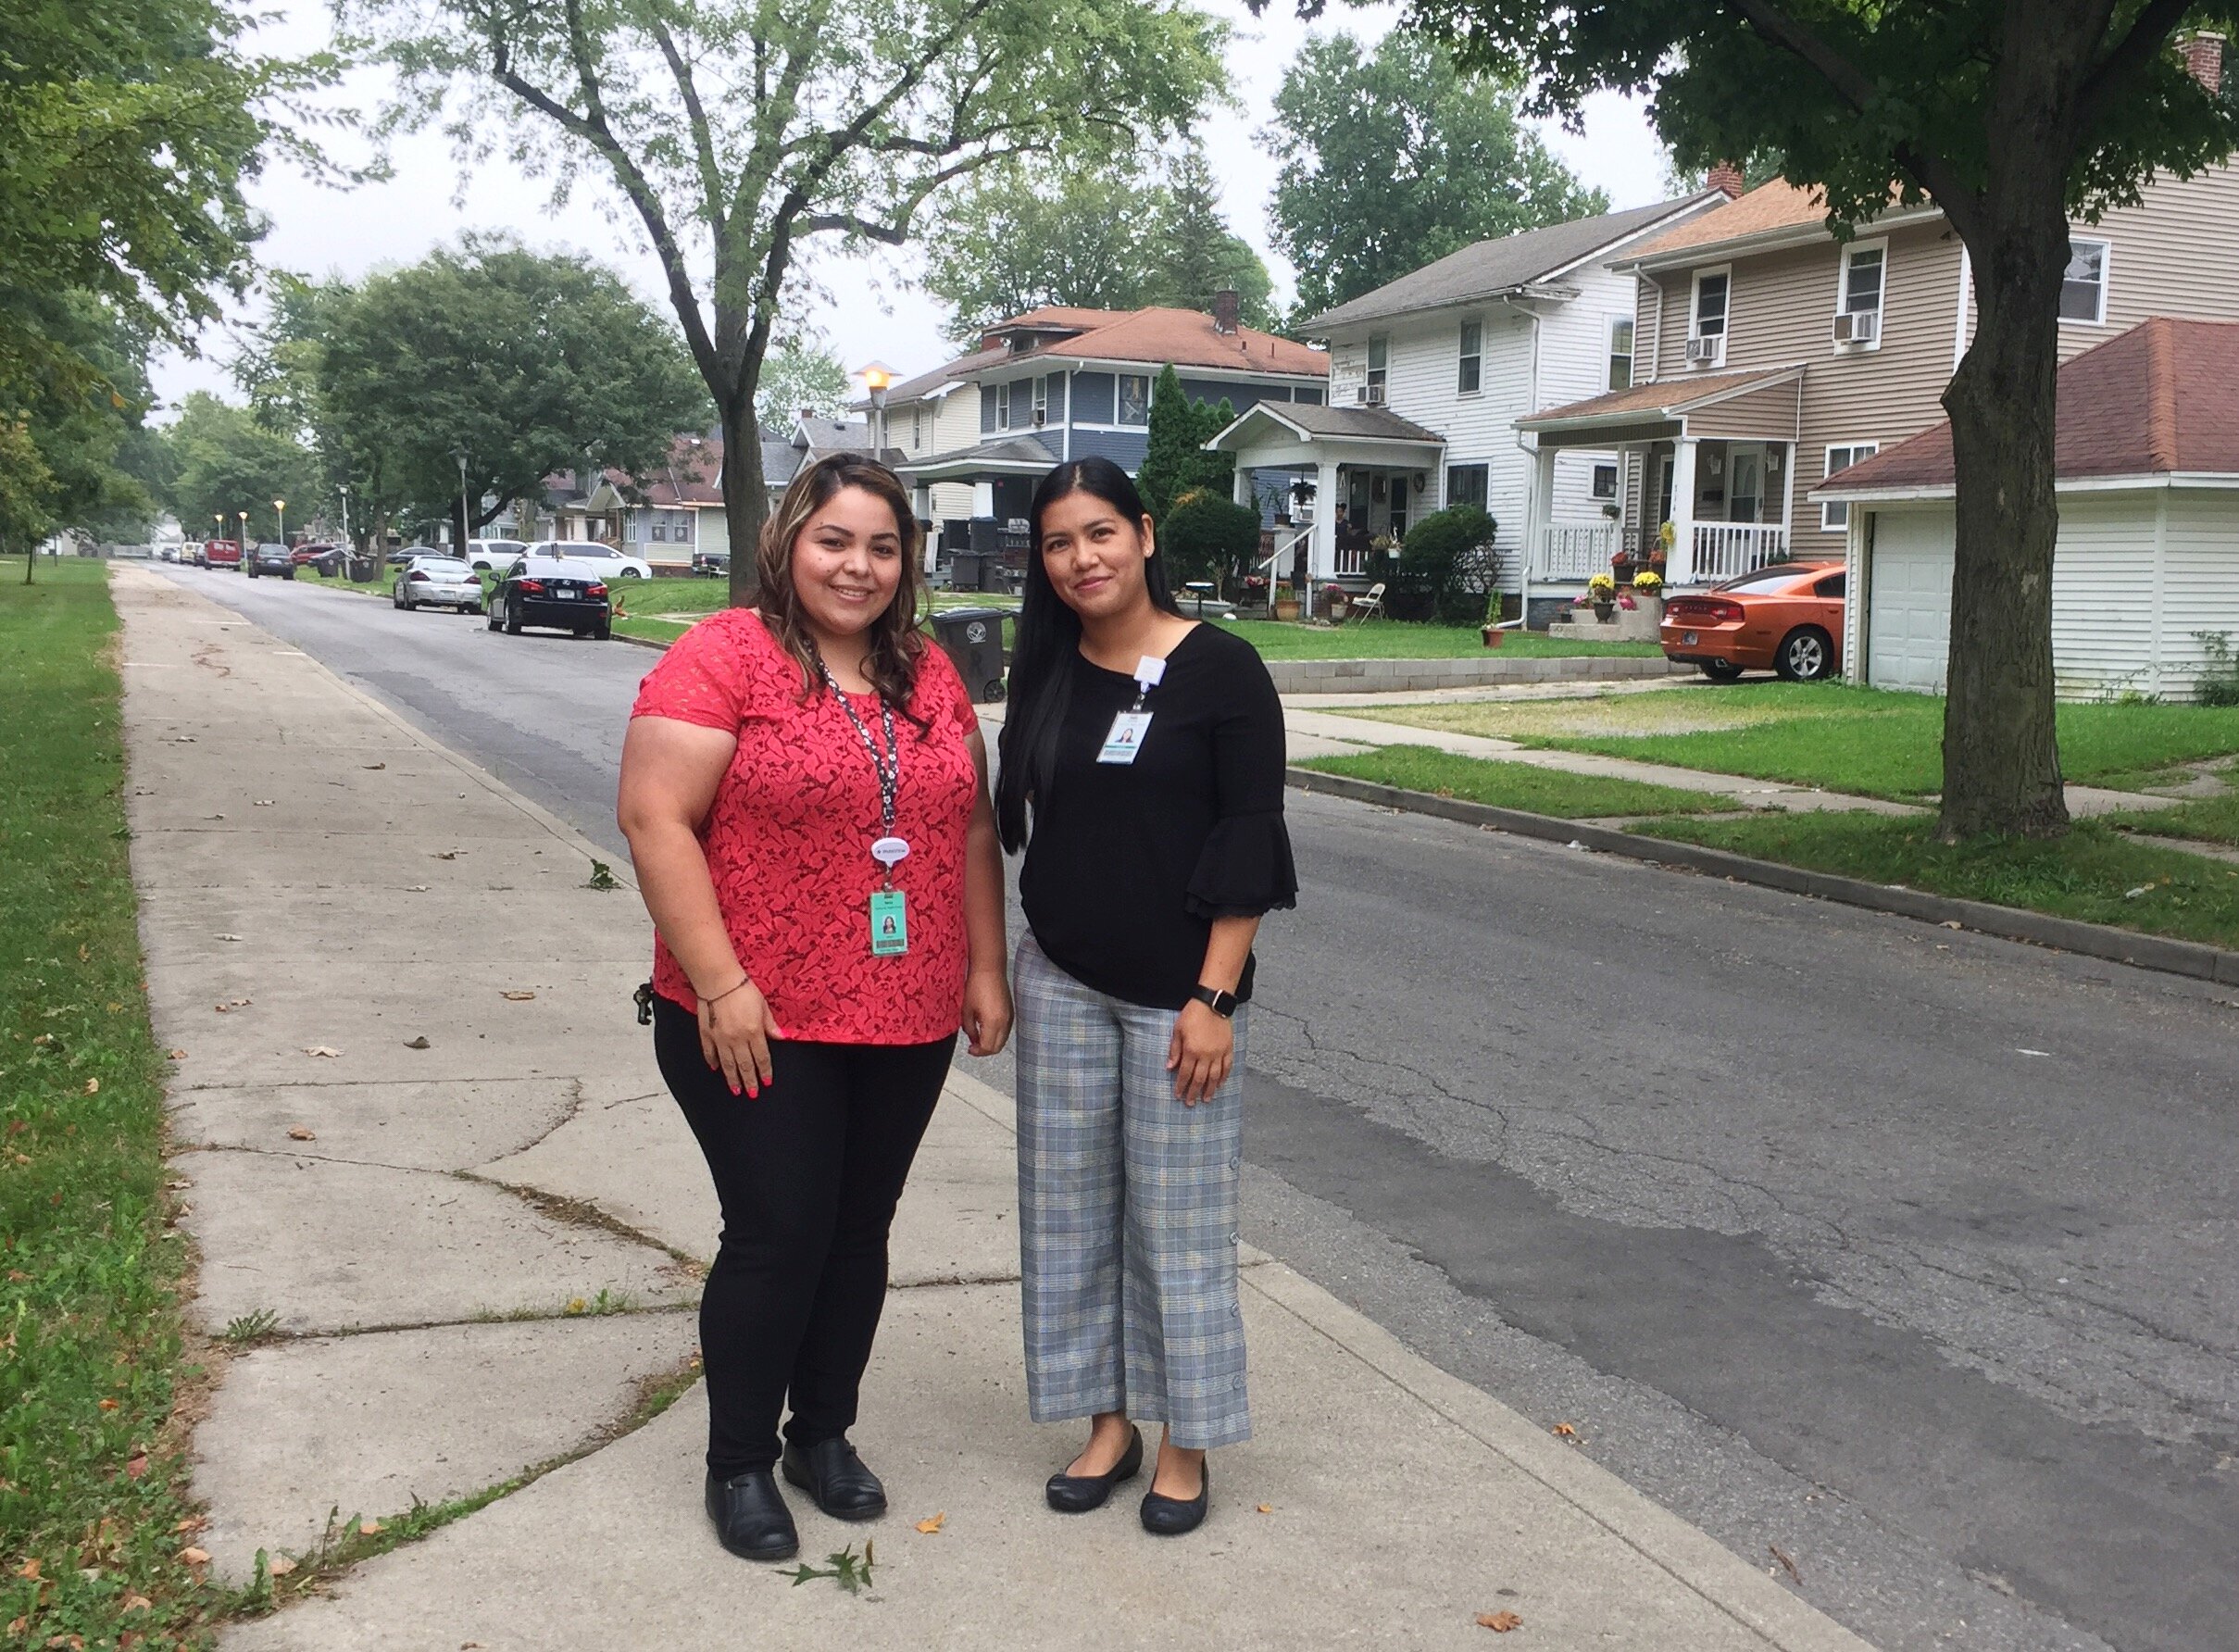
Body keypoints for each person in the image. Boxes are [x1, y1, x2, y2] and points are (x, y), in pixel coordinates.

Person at [617, 455, 1011, 1563]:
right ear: (790, 540)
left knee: (856, 1233)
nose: (859, 565)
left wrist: (986, 966)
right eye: (836, 540)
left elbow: (968, 827)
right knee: (778, 1233)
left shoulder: (927, 671)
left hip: (905, 1010)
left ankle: (821, 1434)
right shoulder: (723, 656)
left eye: (883, 546)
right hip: (757, 1015)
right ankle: (737, 1458)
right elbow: (656, 820)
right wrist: (725, 983)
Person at [994, 457, 1297, 1537]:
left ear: (1145, 534)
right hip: (1063, 977)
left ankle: (1186, 1441)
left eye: (1100, 533)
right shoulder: (1048, 667)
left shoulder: (1223, 669)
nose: (1083, 557)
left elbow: (1247, 837)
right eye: (1060, 542)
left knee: (1177, 1225)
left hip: (1182, 997)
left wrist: (1214, 993)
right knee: (1070, 1217)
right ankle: (1108, 1423)